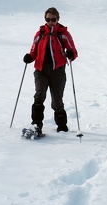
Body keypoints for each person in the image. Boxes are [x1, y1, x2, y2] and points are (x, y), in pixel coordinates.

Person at [23, 7, 78, 137]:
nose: (50, 22)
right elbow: (34, 51)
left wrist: (70, 54)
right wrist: (30, 57)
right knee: (39, 96)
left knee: (57, 101)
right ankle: (36, 125)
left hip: (57, 71)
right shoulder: (40, 34)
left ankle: (62, 127)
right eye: (48, 19)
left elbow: (73, 51)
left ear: (58, 19)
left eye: (53, 19)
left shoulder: (63, 34)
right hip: (41, 70)